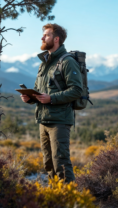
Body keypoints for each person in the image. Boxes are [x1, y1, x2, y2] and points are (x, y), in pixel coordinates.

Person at [20, 23, 83, 183]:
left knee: (60, 162)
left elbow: (77, 90)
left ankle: (70, 201)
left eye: (46, 35)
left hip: (59, 122)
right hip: (43, 120)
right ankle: (55, 198)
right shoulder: (45, 63)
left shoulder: (67, 62)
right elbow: (39, 90)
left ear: (56, 39)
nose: (42, 37)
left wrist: (52, 98)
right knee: (48, 164)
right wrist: (30, 98)